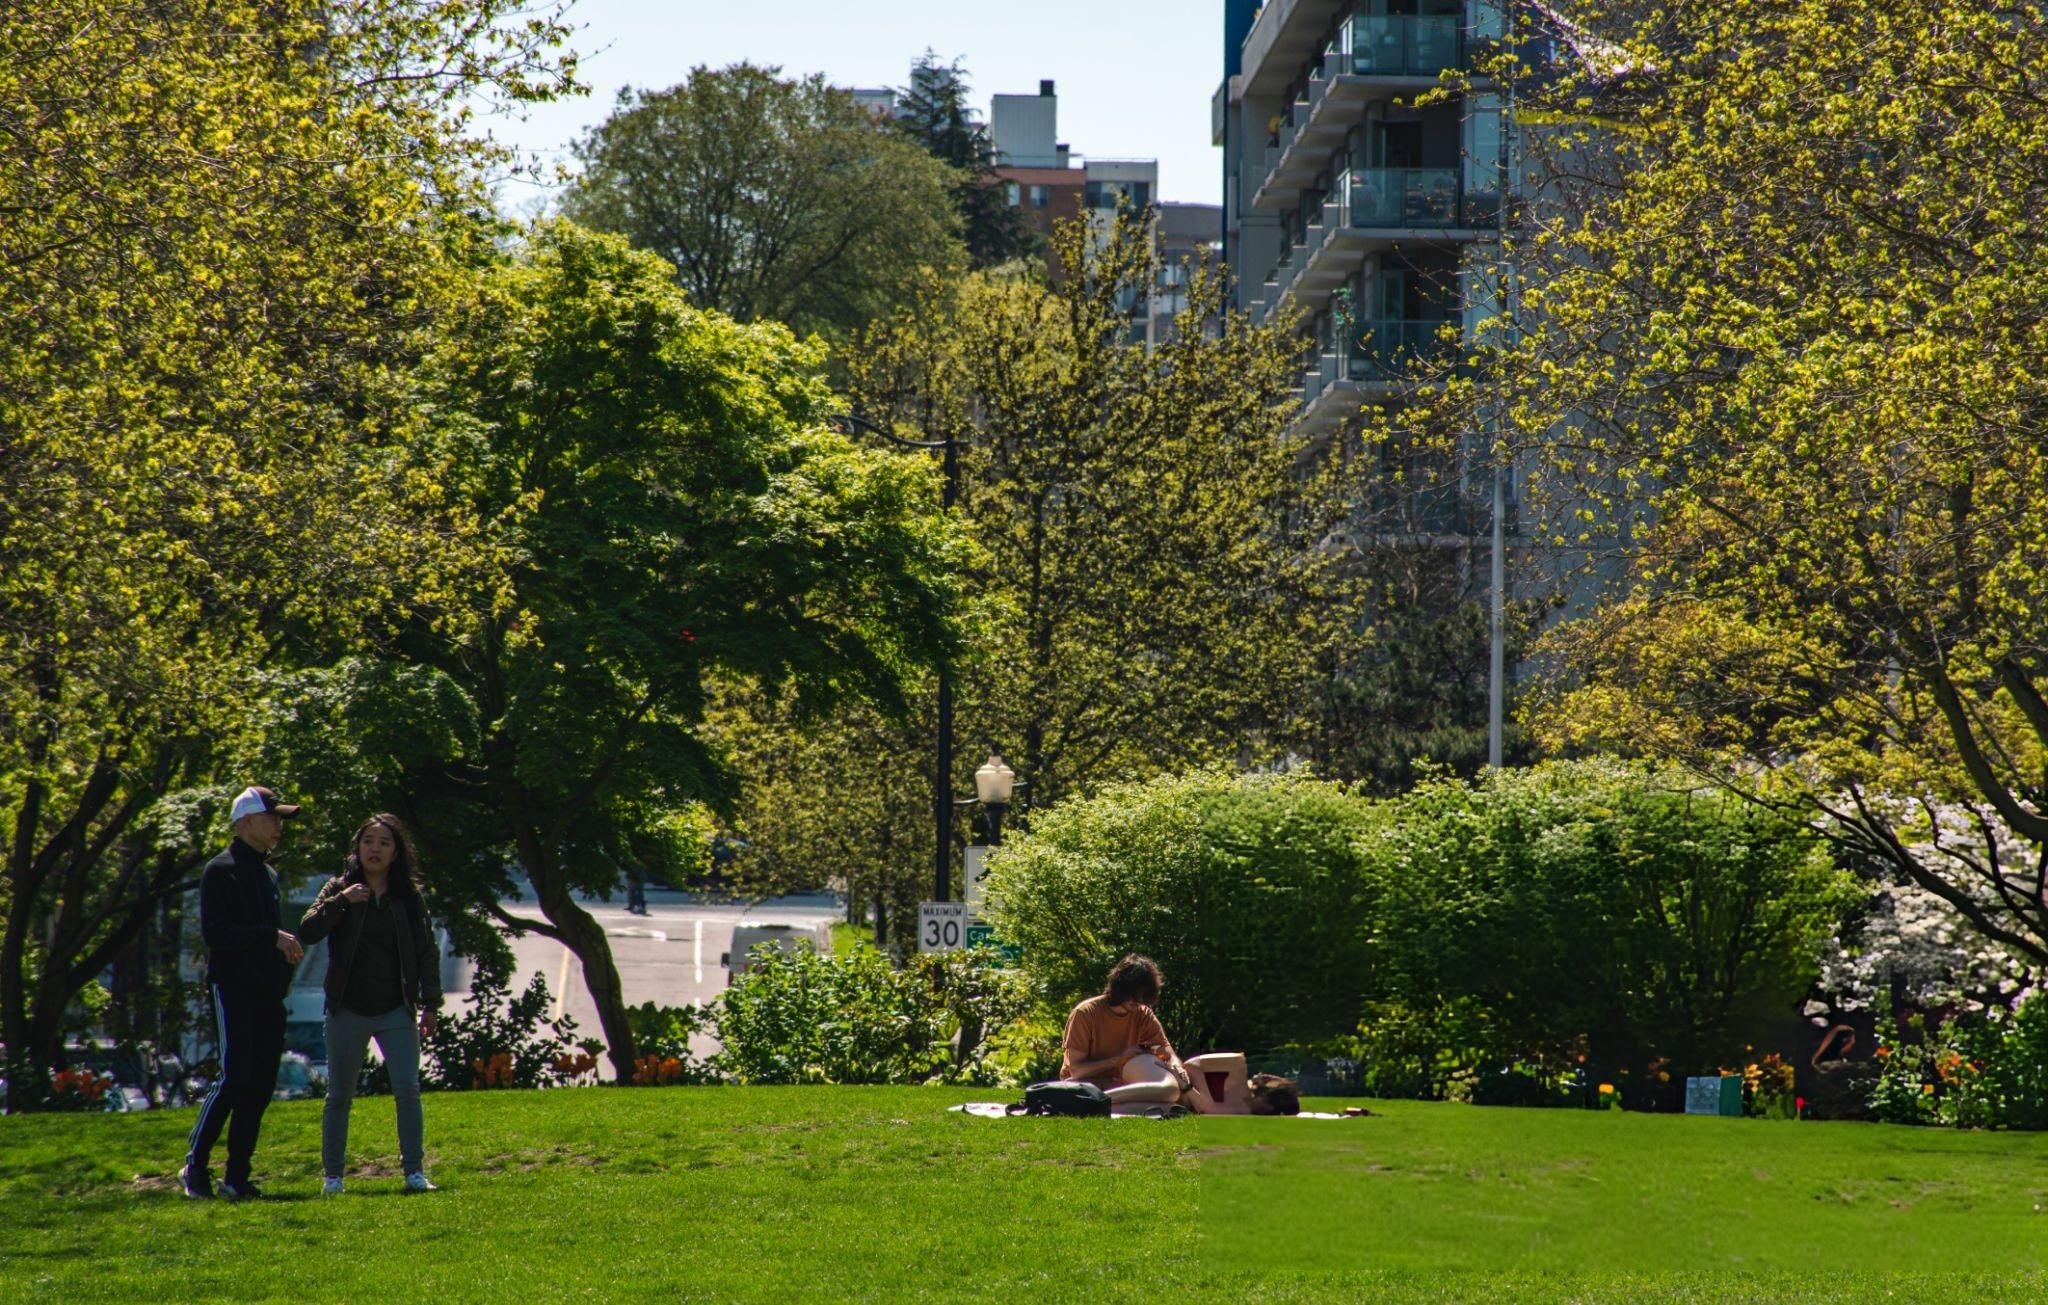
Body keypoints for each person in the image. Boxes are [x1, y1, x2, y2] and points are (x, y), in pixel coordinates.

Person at [297, 813, 443, 1195]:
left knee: (407, 1090)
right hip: (347, 1008)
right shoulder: (338, 888)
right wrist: (341, 902)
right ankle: (333, 1177)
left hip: (396, 1008)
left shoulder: (408, 899)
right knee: (340, 1095)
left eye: (384, 843)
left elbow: (427, 952)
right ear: (357, 848)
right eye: (368, 842)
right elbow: (308, 931)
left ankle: (413, 1172)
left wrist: (430, 1005)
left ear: (396, 853)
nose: (374, 849)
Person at [181, 786, 304, 1200]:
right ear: (246, 821)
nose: (278, 827)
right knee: (234, 1078)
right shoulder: (221, 869)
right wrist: (271, 937)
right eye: (273, 818)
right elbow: (217, 934)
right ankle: (194, 1166)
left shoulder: (268, 874)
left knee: (260, 1083)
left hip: (266, 992)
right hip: (232, 988)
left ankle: (237, 1176)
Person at [1060, 954, 1190, 1106]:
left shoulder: (1143, 1014)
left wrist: (1177, 1066)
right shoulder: (1085, 1013)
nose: (1140, 1001)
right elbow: (1077, 1071)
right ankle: (1100, 1101)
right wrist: (1119, 1059)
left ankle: (1104, 1101)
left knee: (1173, 1098)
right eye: (1136, 995)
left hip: (1123, 1083)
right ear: (1121, 987)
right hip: (1083, 1084)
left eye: (1144, 996)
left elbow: (1166, 1050)